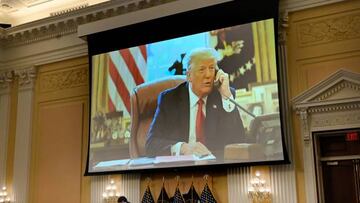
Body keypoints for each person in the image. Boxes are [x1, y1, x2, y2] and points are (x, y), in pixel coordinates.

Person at [145, 47, 245, 159]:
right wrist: (182, 148)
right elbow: (151, 144)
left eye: (211, 68)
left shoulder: (222, 95)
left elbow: (239, 140)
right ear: (189, 76)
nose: (208, 75)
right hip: (181, 168)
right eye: (202, 69)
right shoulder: (170, 99)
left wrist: (226, 96)